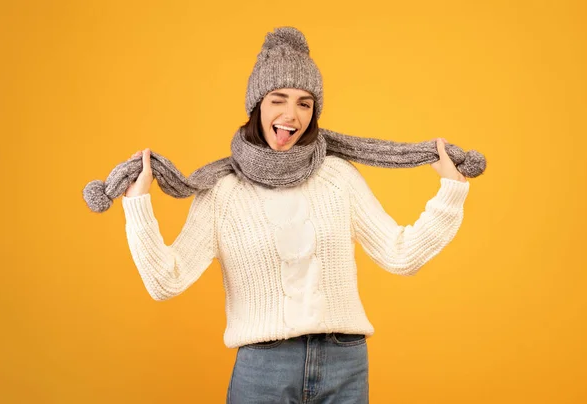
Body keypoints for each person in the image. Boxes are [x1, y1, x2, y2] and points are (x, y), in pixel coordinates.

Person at [121, 27, 469, 404]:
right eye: (278, 99)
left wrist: (451, 192)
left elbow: (400, 256)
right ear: (257, 105)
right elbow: (165, 281)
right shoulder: (222, 192)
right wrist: (137, 204)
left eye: (305, 103)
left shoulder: (337, 177)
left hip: (344, 363)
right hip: (263, 369)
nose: (291, 115)